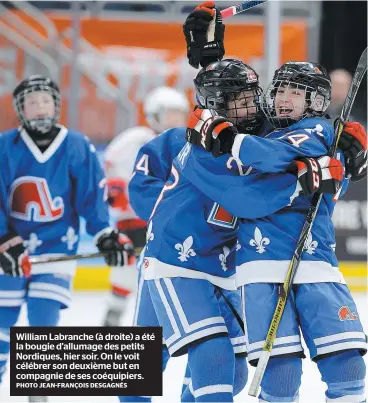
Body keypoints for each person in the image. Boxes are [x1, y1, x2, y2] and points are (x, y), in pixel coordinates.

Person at [184, 58, 367, 403]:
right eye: (281, 89)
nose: (285, 97)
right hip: (259, 266)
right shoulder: (263, 128)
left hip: (315, 263)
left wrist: (229, 140)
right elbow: (249, 193)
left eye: (296, 92)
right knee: (280, 378)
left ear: (315, 102)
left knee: (346, 367)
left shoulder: (318, 130)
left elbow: (270, 155)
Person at [0, 75, 133, 403]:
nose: (40, 107)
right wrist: (4, 239)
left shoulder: (76, 145)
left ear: (56, 105)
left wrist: (105, 235)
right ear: (21, 109)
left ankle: (38, 398)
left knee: (43, 324)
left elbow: (91, 198)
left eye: (45, 100)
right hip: (10, 251)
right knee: (1, 329)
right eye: (32, 102)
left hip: (56, 247)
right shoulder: (4, 146)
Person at [102, 86, 190, 327]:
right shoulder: (136, 139)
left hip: (168, 224)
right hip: (133, 221)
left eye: (178, 114)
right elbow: (112, 174)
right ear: (153, 114)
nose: (175, 120)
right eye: (169, 113)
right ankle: (115, 312)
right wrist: (116, 191)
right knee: (127, 272)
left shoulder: (186, 143)